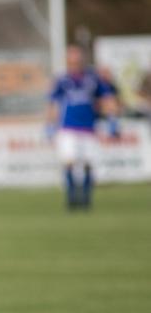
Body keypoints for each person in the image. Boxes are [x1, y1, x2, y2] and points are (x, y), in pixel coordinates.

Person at [46, 46, 119, 209]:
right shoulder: (61, 80)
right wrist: (49, 125)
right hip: (68, 128)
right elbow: (52, 103)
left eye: (77, 60)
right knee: (69, 162)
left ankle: (86, 200)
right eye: (71, 61)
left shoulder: (93, 79)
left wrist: (112, 120)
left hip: (88, 128)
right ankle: (71, 199)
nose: (75, 64)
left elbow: (108, 98)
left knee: (88, 163)